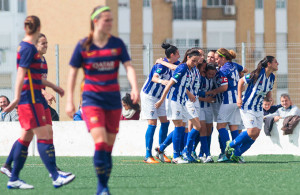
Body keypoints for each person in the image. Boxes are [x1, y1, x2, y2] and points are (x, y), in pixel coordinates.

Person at [65, 6, 139, 195]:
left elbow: (129, 67)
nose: (110, 23)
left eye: (111, 20)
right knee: (100, 142)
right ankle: (102, 187)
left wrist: (134, 88)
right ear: (95, 21)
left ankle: (104, 184)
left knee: (108, 147)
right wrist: (69, 100)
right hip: (91, 100)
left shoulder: (117, 43)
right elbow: (73, 72)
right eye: (106, 20)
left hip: (112, 101)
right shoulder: (84, 45)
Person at [2, 16, 75, 189]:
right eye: (44, 43)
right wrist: (17, 98)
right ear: (37, 29)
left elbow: (37, 79)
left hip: (34, 99)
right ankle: (55, 175)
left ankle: (12, 175)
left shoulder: (32, 51)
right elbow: (21, 74)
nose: (46, 46)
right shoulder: (28, 49)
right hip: (30, 99)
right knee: (44, 135)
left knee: (29, 136)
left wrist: (54, 87)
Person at [225, 56, 278, 163]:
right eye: (275, 62)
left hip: (258, 108)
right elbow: (241, 81)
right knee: (251, 131)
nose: (278, 64)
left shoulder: (272, 77)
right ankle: (230, 145)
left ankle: (236, 154)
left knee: (256, 134)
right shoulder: (257, 74)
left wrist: (269, 97)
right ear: (269, 64)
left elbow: (268, 90)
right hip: (248, 106)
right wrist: (239, 98)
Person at [155, 49, 201, 164]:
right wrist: (161, 100)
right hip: (174, 100)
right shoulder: (183, 68)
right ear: (188, 57)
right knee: (179, 126)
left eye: (197, 61)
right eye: (193, 60)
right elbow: (170, 84)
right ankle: (176, 156)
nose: (195, 63)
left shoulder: (192, 69)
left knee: (196, 125)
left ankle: (162, 148)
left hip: (183, 101)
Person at [141, 43, 180, 164]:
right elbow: (154, 78)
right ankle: (148, 155)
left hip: (161, 97)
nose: (179, 56)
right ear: (172, 55)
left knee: (165, 122)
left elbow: (179, 67)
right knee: (152, 123)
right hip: (149, 96)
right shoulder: (160, 65)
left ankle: (160, 152)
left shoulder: (174, 64)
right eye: (178, 54)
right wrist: (162, 81)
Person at [207, 48, 243, 162]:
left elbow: (224, 87)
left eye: (218, 59)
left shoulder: (223, 70)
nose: (217, 61)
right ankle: (237, 154)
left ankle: (228, 152)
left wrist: (211, 92)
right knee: (234, 128)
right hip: (237, 100)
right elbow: (244, 70)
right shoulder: (234, 65)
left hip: (228, 101)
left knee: (220, 127)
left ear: (223, 58)